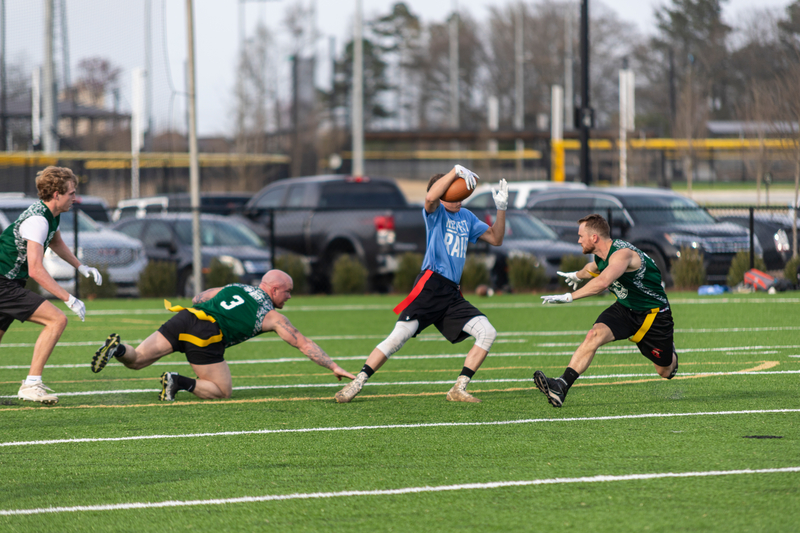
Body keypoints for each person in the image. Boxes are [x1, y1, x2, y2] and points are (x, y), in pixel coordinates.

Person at [334, 164, 509, 404]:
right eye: (454, 193)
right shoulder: (436, 212)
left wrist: (501, 208)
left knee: (488, 332)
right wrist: (454, 172)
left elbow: (496, 239)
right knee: (398, 337)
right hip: (430, 285)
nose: (459, 198)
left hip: (452, 294)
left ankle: (458, 388)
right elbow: (429, 197)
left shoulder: (467, 216)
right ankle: (358, 382)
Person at [91, 269, 356, 401]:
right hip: (206, 334)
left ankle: (118, 348)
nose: (289, 296)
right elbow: (302, 342)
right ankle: (177, 381)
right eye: (288, 291)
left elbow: (199, 297)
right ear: (274, 289)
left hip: (186, 316)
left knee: (137, 359)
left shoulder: (235, 286)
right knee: (221, 391)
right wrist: (333, 366)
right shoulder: (272, 316)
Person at [532, 213, 678, 408]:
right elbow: (592, 268)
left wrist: (570, 297)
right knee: (594, 335)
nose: (578, 240)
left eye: (581, 236)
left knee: (664, 371)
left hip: (653, 315)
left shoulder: (622, 254)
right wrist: (576, 275)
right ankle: (561, 385)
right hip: (625, 308)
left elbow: (603, 281)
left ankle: (672, 355)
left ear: (594, 238)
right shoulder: (601, 255)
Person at [0, 166, 103, 404]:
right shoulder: (37, 220)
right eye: (71, 193)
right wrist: (69, 298)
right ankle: (32, 384)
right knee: (57, 319)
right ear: (56, 194)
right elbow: (36, 269)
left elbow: (56, 242)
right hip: (4, 284)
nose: (74, 198)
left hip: (9, 282)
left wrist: (81, 267)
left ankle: (32, 383)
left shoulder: (50, 215)